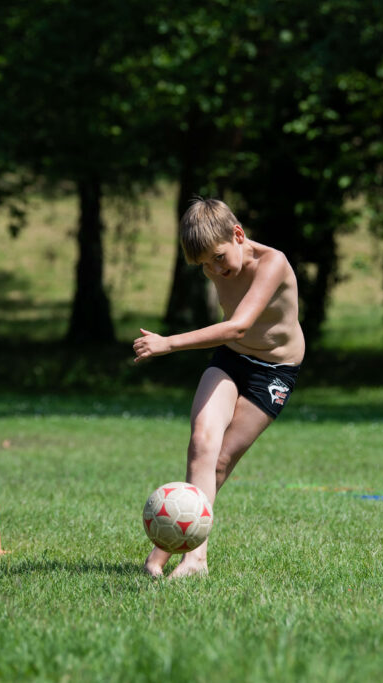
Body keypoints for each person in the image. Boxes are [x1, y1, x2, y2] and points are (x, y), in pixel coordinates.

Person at [133, 197, 305, 578]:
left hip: (274, 372)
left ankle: (169, 554)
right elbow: (234, 336)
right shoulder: (219, 262)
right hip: (232, 359)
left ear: (238, 234)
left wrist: (169, 342)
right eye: (205, 266)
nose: (214, 270)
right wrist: (216, 262)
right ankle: (194, 560)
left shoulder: (273, 263)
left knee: (222, 461)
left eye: (218, 258)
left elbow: (238, 326)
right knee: (202, 443)